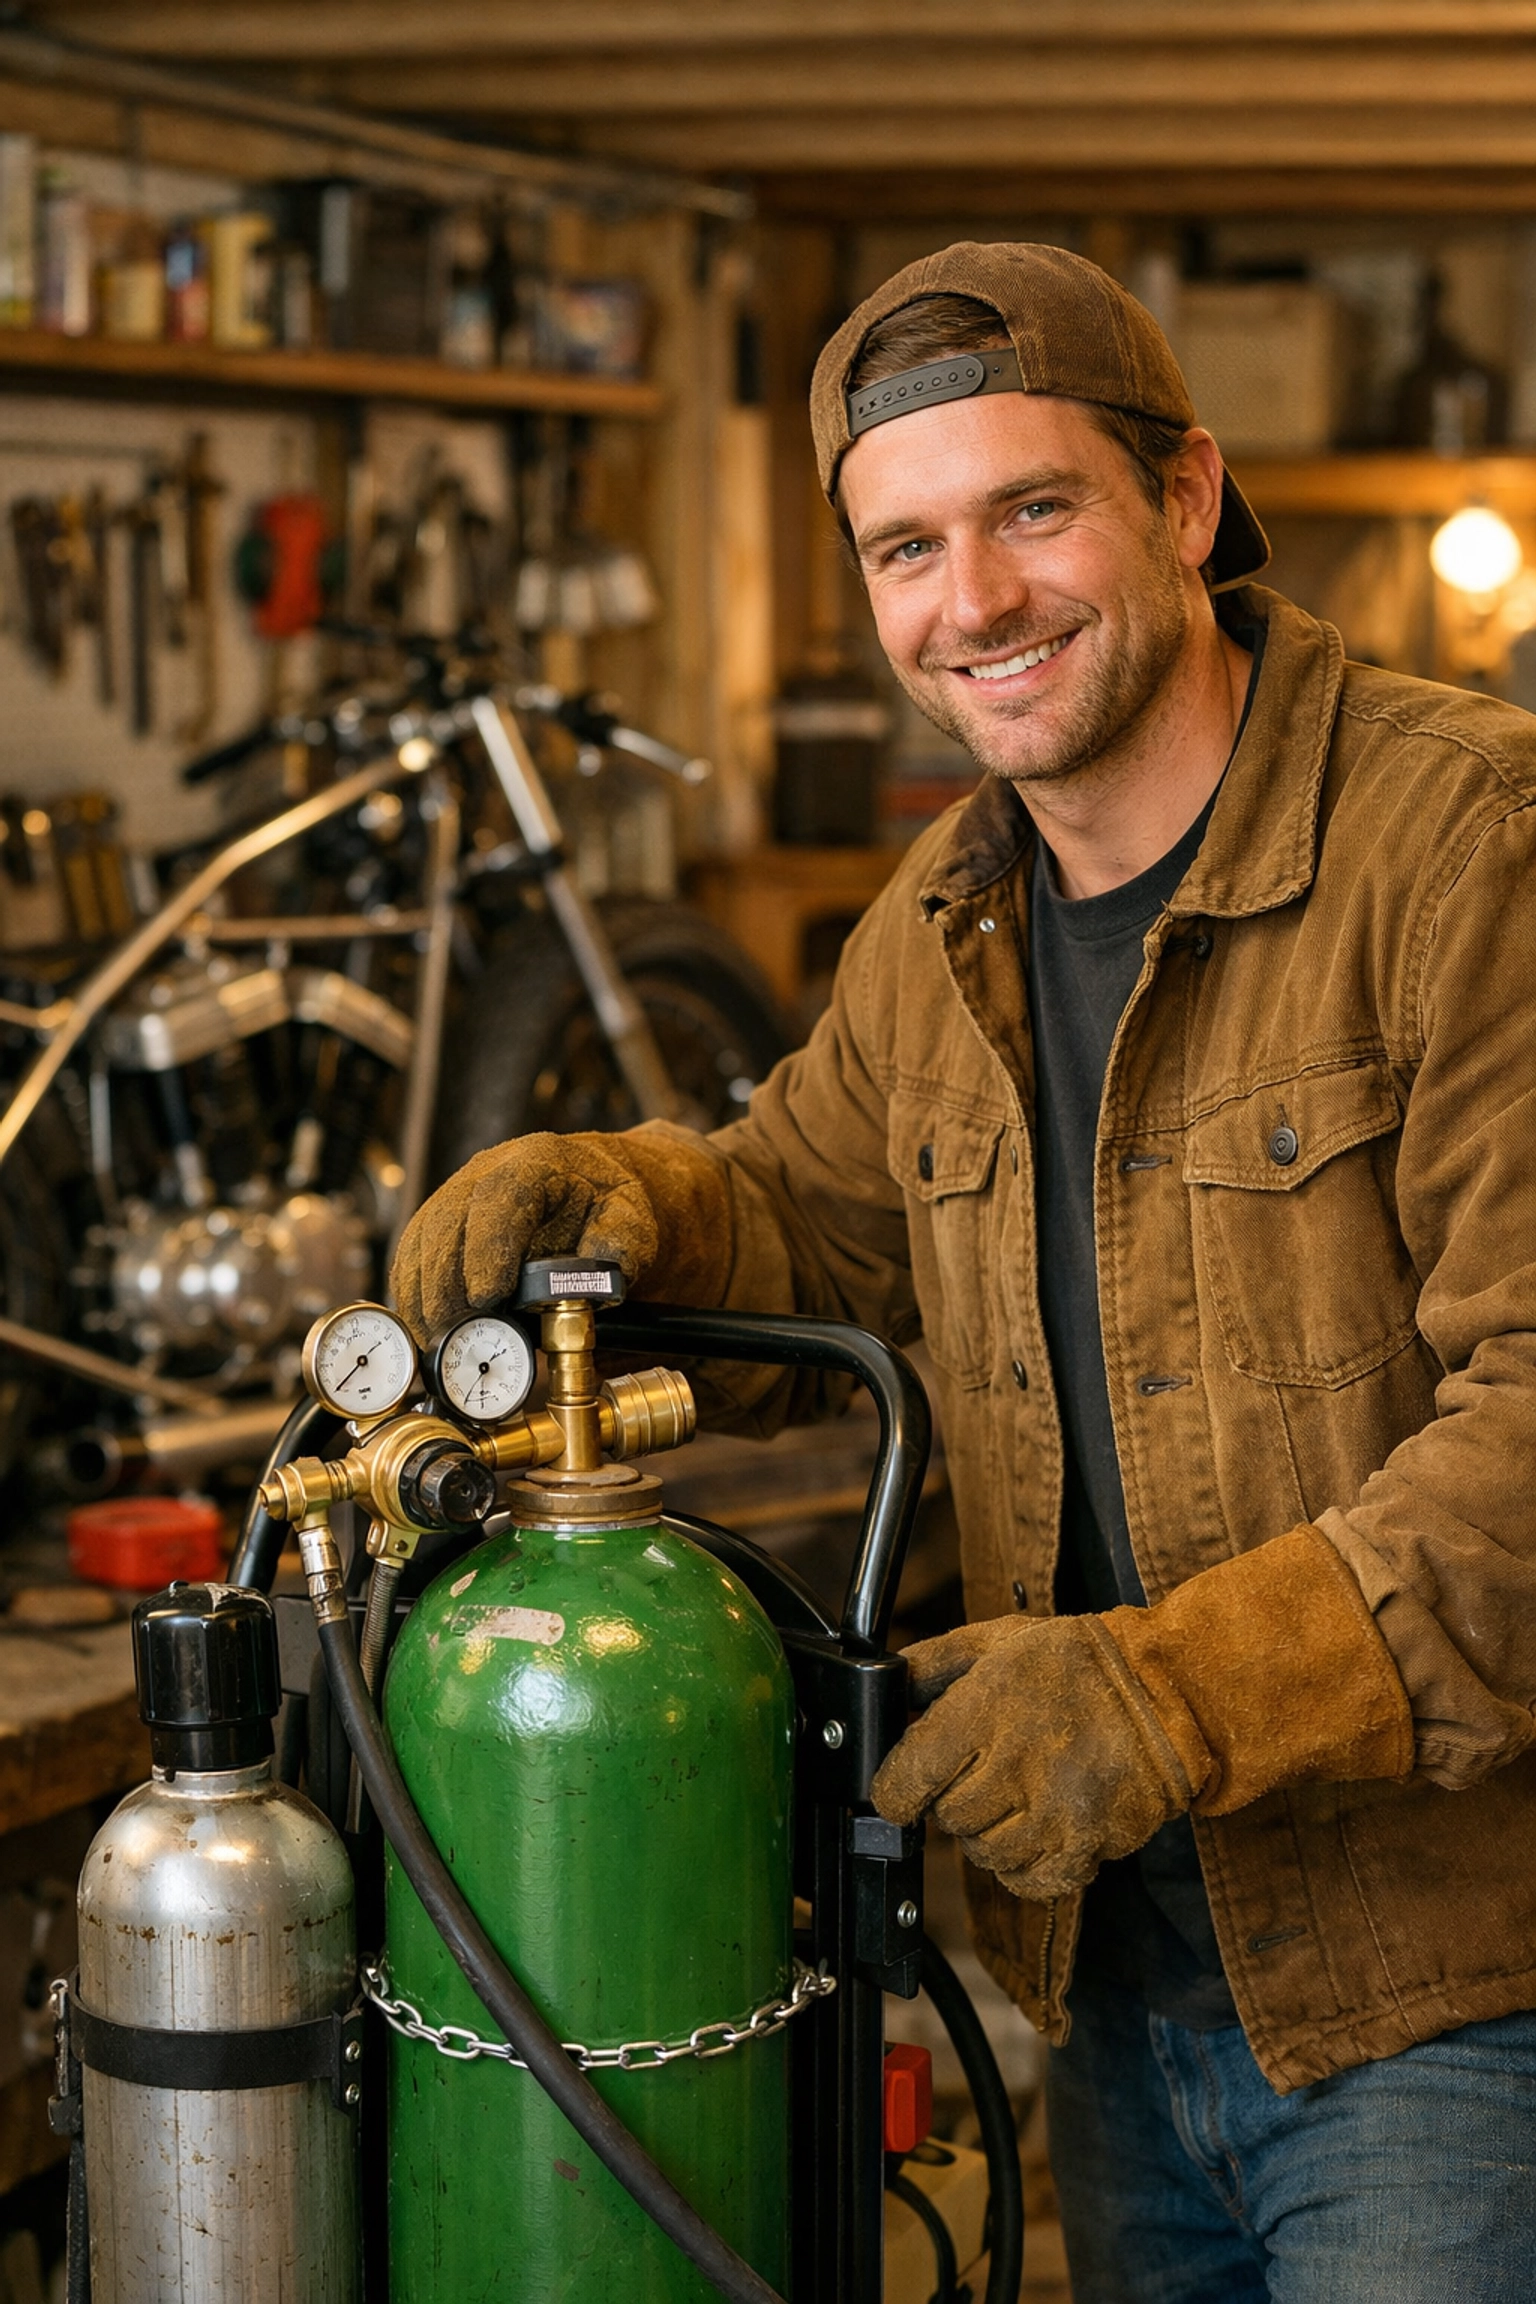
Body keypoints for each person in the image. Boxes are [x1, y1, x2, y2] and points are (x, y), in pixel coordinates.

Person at [392, 243, 1536, 2302]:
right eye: (907, 546)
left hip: (1447, 1995)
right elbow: (819, 1218)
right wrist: (627, 1196)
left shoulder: (1465, 845)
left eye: (1032, 510)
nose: (972, 603)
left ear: (1183, 501)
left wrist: (1167, 1691)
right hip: (1113, 1981)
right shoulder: (949, 913)